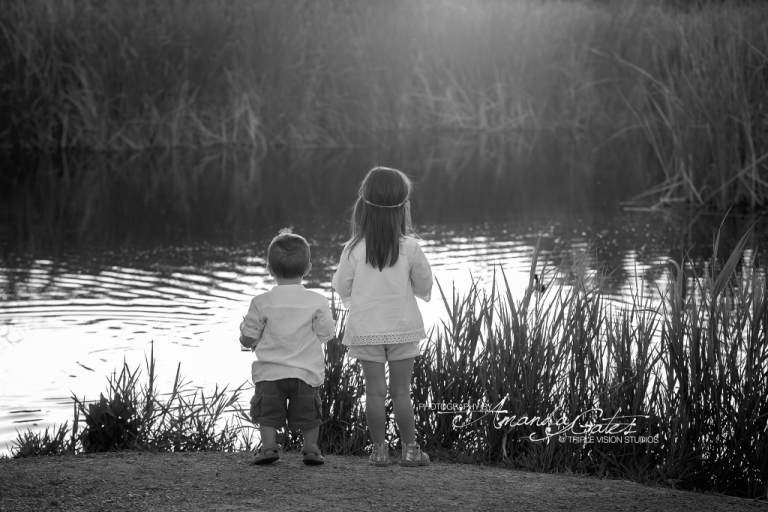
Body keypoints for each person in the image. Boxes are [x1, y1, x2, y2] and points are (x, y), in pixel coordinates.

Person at [332, 166, 433, 467]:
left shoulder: (353, 249)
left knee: (373, 393)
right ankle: (411, 451)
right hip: (402, 329)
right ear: (403, 207)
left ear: (363, 208)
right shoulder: (410, 248)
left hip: (366, 330)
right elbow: (425, 285)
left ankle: (378, 452)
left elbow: (340, 286)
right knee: (402, 392)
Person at [240, 229, 335, 466]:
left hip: (271, 373)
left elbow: (248, 337)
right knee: (309, 414)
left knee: (268, 414)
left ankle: (269, 447)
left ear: (270, 270)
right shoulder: (317, 300)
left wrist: (247, 340)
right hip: (306, 372)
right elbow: (327, 333)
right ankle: (311, 449)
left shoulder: (261, 302)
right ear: (308, 268)